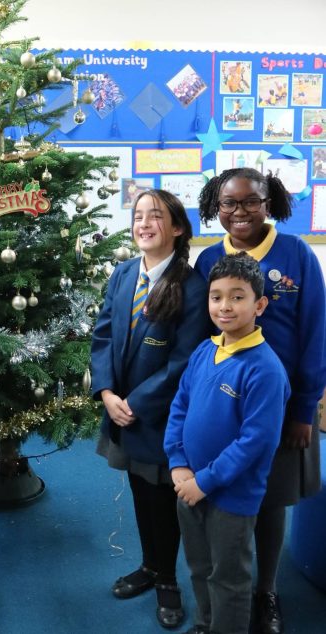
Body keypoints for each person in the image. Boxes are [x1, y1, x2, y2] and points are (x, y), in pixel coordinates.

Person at [195, 167, 326, 634]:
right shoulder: (209, 258)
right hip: (224, 406)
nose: (240, 211)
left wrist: (305, 409)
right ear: (216, 207)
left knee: (270, 501)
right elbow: (200, 334)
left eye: (251, 201)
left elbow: (315, 334)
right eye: (229, 203)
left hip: (282, 411)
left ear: (269, 204)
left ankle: (265, 590)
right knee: (224, 496)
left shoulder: (296, 254)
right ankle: (226, 585)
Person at [91, 189, 209, 630]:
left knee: (164, 499)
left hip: (160, 418)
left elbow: (183, 362)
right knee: (140, 491)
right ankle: (148, 564)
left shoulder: (192, 288)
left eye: (154, 216)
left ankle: (167, 580)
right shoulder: (124, 274)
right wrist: (106, 392)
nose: (143, 223)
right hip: (120, 410)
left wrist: (135, 404)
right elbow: (103, 335)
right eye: (138, 215)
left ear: (176, 228)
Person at [165, 252, 290, 634]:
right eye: (216, 296)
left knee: (229, 578)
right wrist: (178, 462)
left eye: (238, 297)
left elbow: (255, 442)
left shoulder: (265, 370)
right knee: (199, 567)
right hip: (189, 486)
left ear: (260, 305)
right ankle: (206, 623)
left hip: (232, 497)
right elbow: (180, 406)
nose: (225, 306)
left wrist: (205, 482)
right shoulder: (205, 350)